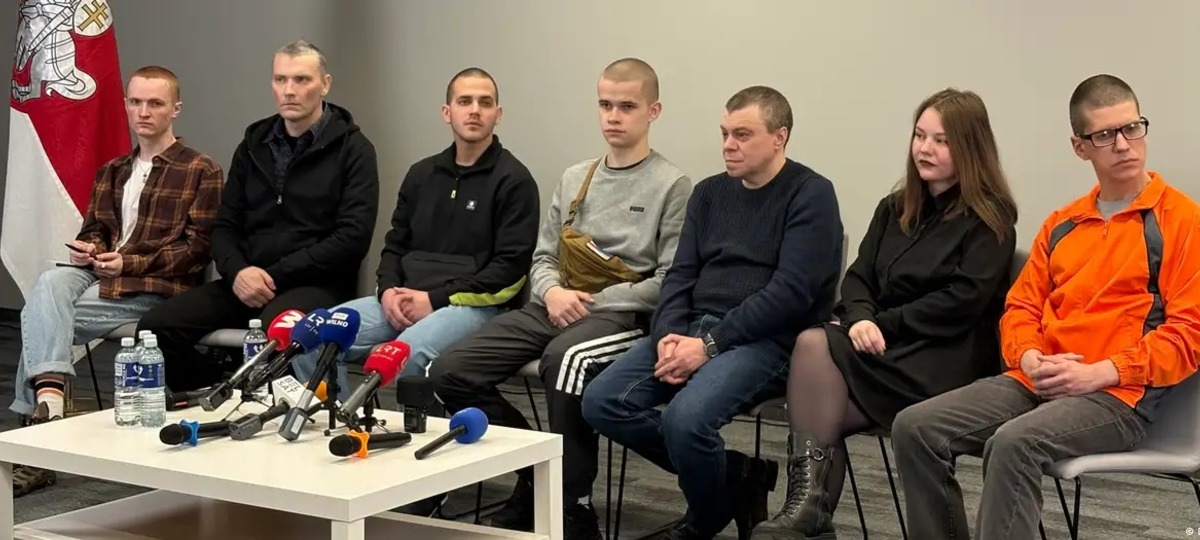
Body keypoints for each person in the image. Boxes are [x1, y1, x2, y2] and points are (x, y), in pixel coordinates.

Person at [892, 74, 1200, 539]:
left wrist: (1102, 372)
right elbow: (1020, 309)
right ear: (1080, 147)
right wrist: (1030, 358)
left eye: (1132, 128)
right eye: (1105, 134)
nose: (1123, 144)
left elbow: (1189, 334)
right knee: (914, 427)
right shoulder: (1062, 223)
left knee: (1014, 444)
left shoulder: (1181, 221)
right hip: (1038, 381)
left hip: (1118, 395)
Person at [424, 58, 691, 539]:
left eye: (627, 106)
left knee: (564, 361)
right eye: (605, 105)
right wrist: (551, 292)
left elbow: (670, 279)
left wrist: (592, 302)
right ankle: (535, 473)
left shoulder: (672, 185)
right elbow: (543, 256)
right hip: (554, 304)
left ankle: (572, 506)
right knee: (448, 371)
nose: (613, 116)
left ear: (653, 111)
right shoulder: (575, 178)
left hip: (620, 315)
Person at [750, 89, 1018, 540]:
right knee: (815, 351)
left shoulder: (991, 219)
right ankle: (806, 512)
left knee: (820, 383)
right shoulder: (894, 207)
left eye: (941, 141)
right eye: (919, 136)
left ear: (970, 148)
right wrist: (859, 318)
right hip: (880, 346)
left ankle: (809, 517)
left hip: (942, 358)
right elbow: (859, 277)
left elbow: (961, 303)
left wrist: (881, 324)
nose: (924, 149)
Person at [582, 85, 844, 540]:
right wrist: (668, 335)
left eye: (742, 135)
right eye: (724, 133)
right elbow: (680, 275)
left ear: (779, 137)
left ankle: (704, 520)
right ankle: (736, 475)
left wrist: (708, 346)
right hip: (693, 330)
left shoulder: (811, 193)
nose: (728, 145)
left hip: (767, 340)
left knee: (685, 421)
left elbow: (791, 294)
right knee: (601, 402)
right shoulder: (708, 193)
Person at [9, 66, 224, 496]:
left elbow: (197, 251)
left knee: (41, 319)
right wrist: (88, 248)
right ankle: (50, 405)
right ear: (126, 105)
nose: (144, 111)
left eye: (155, 103)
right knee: (51, 284)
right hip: (102, 276)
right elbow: (97, 230)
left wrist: (129, 263)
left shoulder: (201, 170)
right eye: (136, 102)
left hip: (155, 288)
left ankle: (37, 444)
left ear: (175, 109)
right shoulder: (113, 169)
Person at [138, 40, 379, 392]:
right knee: (156, 328)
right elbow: (225, 226)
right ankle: (223, 391)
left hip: (316, 285)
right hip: (245, 281)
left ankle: (259, 399)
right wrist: (238, 272)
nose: (289, 90)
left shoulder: (355, 150)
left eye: (301, 80)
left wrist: (272, 275)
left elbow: (352, 239)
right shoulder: (253, 144)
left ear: (324, 84)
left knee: (276, 333)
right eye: (280, 80)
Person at [290, 67, 539, 392]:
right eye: (465, 101)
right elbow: (395, 246)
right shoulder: (421, 174)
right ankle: (339, 422)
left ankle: (415, 426)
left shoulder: (515, 181)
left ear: (498, 114)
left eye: (485, 102)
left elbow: (509, 271)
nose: (475, 110)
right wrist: (387, 291)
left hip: (474, 307)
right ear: (447, 112)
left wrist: (434, 299)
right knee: (312, 337)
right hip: (403, 299)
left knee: (406, 354)